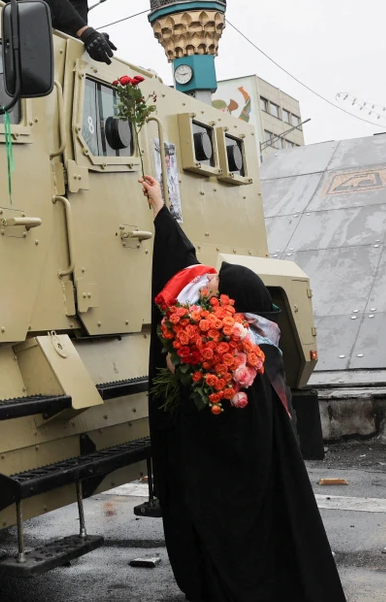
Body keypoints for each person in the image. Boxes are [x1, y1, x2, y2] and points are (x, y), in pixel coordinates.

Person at [140, 174, 346, 602]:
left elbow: (227, 437)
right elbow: (183, 266)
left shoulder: (235, 359)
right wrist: (160, 210)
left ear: (231, 301)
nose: (206, 287)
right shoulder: (261, 347)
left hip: (236, 512)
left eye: (215, 285)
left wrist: (186, 386)